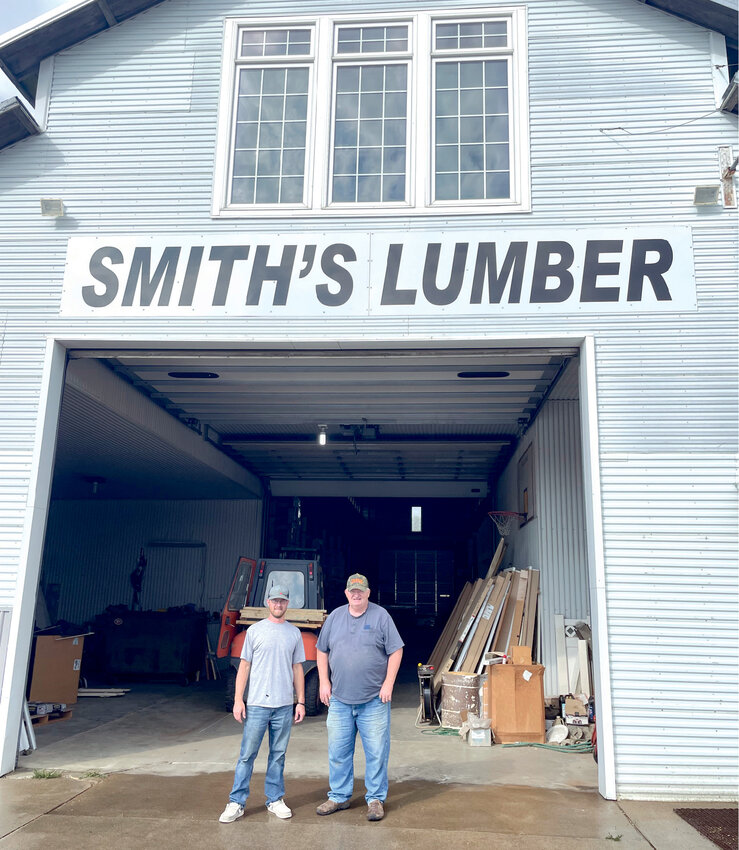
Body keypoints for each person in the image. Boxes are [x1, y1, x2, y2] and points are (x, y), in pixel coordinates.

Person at [315, 573, 404, 822]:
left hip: (374, 700)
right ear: (346, 593)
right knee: (338, 751)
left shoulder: (381, 616)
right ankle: (340, 796)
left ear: (368, 593)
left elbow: (396, 650)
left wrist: (388, 683)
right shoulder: (334, 617)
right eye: (352, 591)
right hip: (340, 700)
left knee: (376, 752)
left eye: (360, 591)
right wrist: (324, 681)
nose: (356, 594)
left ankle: (375, 799)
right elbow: (321, 650)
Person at [219, 584, 306, 823]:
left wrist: (301, 702)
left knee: (278, 755)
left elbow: (298, 668)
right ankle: (236, 802)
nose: (278, 604)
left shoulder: (294, 633)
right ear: (268, 602)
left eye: (283, 601)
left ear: (288, 604)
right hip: (257, 704)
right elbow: (243, 667)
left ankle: (275, 799)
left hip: (284, 705)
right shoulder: (255, 632)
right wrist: (239, 700)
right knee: (247, 755)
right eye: (275, 601)